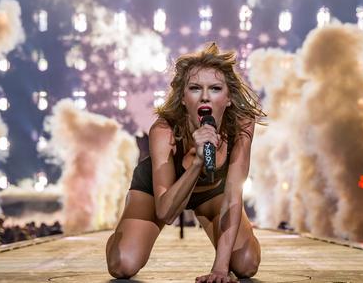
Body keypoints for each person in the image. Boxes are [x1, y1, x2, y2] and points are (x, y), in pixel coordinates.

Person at [106, 43, 266, 282]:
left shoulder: (242, 124)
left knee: (246, 265)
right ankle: (125, 231)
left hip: (213, 193)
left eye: (214, 88)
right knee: (123, 265)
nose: (204, 96)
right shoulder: (164, 130)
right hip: (160, 193)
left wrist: (220, 270)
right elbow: (166, 212)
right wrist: (198, 162)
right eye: (194, 88)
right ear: (183, 97)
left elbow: (233, 196)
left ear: (228, 97)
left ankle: (225, 245)